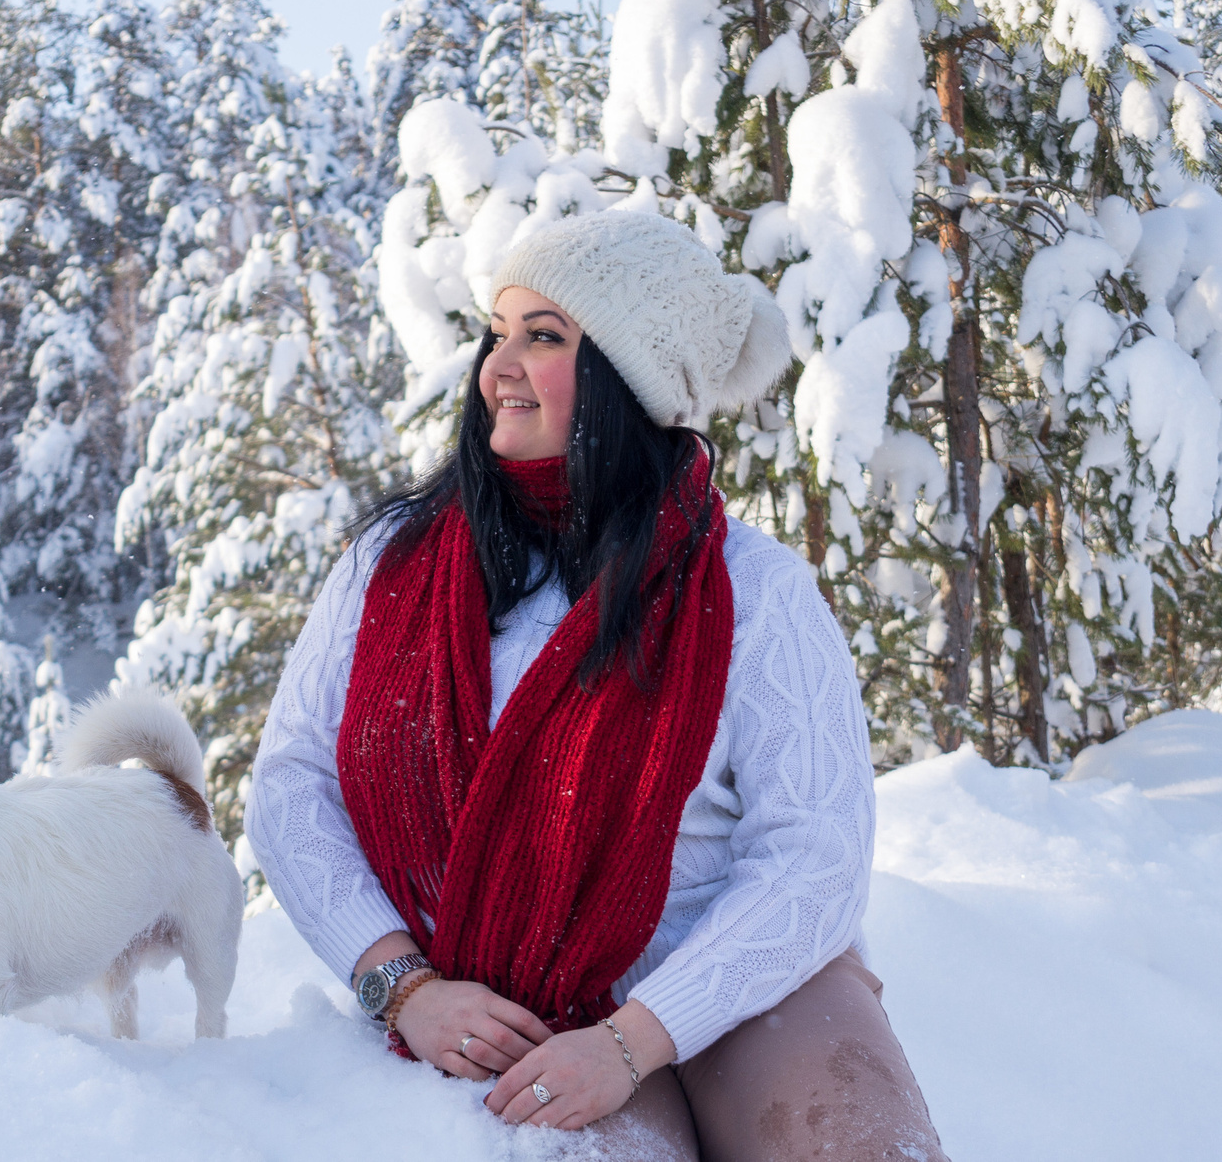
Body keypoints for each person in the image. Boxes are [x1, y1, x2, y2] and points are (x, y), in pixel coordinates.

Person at [247, 210, 949, 1161]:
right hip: (513, 1010)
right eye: (498, 333)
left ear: (633, 381)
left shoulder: (757, 591)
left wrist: (637, 1039)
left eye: (545, 338)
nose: (499, 366)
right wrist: (403, 987)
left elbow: (816, 854)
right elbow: (294, 787)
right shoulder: (392, 567)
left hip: (740, 985)